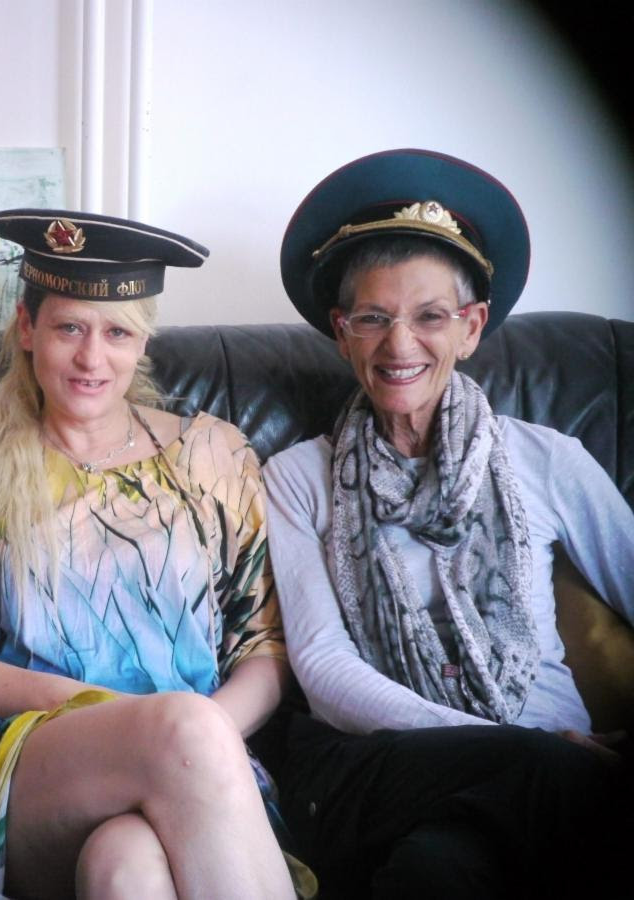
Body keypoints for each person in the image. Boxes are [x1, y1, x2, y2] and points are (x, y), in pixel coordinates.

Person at [0, 209, 315, 899]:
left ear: (143, 343)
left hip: (200, 768)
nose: (92, 357)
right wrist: (96, 708)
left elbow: (268, 646)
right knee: (178, 728)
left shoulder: (212, 455)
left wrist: (200, 743)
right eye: (69, 327)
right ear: (27, 329)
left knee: (127, 871)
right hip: (30, 765)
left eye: (117, 333)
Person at [262, 147, 634, 897]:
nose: (400, 346)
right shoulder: (296, 478)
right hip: (372, 767)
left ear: (470, 327)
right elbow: (329, 676)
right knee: (563, 789)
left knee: (440, 870)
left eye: (430, 317)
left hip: (510, 791)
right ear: (341, 332)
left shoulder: (549, 461)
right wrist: (524, 750)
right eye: (373, 318)